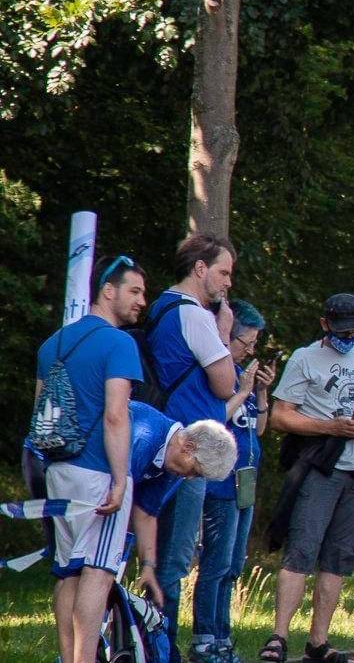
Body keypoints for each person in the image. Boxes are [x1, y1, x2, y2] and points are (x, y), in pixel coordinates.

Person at [263, 293, 354, 663]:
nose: (350, 338)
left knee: (338, 557)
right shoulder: (305, 358)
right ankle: (278, 637)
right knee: (301, 550)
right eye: (343, 331)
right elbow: (280, 417)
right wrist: (330, 426)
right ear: (325, 324)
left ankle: (318, 641)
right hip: (321, 466)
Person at [40, 254, 146, 663]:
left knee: (68, 570)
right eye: (134, 291)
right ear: (107, 290)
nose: (141, 301)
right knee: (98, 571)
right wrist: (121, 480)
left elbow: (42, 411)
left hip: (58, 470)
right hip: (99, 471)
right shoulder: (120, 343)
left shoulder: (54, 343)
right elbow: (116, 415)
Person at [150, 234, 240, 648]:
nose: (227, 283)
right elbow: (224, 385)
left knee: (161, 554)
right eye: (223, 272)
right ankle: (163, 646)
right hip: (189, 452)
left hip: (162, 440)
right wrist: (223, 333)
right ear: (199, 269)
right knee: (175, 560)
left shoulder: (159, 309)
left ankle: (152, 641)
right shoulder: (195, 315)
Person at [192, 299, 273, 663]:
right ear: (228, 336)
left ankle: (223, 637)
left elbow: (259, 428)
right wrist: (241, 390)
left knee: (234, 566)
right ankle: (204, 637)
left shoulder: (243, 376)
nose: (250, 350)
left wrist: (260, 393)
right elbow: (212, 421)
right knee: (216, 564)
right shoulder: (219, 375)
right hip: (221, 485)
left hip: (246, 484)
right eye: (246, 343)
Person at [125, 401, 238, 648]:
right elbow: (115, 496)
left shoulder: (172, 467)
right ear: (188, 447)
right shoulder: (144, 438)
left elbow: (145, 513)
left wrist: (148, 566)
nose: (189, 477)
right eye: (195, 471)